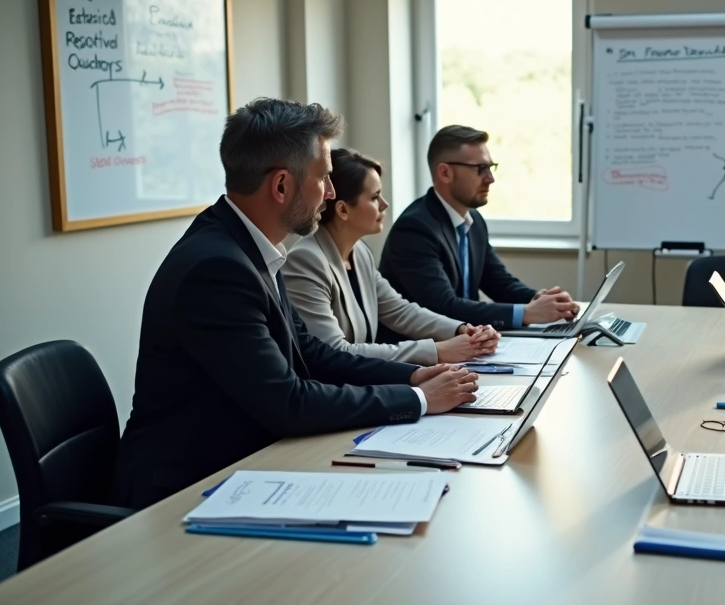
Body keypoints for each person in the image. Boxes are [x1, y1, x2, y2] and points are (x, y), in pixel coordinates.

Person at [111, 99, 479, 509]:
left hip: (241, 462)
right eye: (323, 177)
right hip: (182, 490)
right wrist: (421, 401)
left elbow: (311, 353)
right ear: (282, 185)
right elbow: (289, 403)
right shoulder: (217, 269)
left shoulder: (248, 246)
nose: (332, 191)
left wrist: (415, 377)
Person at [284, 148, 501, 365]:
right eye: (375, 197)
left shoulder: (359, 252)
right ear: (342, 210)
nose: (384, 204)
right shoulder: (306, 260)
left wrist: (462, 329)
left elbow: (400, 311)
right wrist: (436, 351)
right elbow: (335, 351)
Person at [378, 125, 579, 336]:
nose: (490, 178)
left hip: (466, 344)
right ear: (445, 173)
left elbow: (498, 282)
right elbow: (444, 306)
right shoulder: (414, 229)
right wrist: (527, 313)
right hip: (421, 354)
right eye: (480, 168)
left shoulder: (473, 218)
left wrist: (540, 299)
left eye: (491, 167)